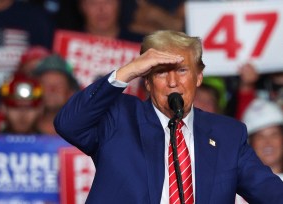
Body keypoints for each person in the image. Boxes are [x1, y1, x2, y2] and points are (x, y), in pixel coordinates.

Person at [54, 30, 283, 203]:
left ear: (199, 77)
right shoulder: (119, 116)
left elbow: (270, 192)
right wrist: (128, 71)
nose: (173, 83)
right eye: (161, 72)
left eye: (182, 70)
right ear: (147, 81)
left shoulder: (227, 134)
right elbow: (68, 124)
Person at [33, 54, 80, 135]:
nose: (52, 90)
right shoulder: (19, 130)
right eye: (45, 84)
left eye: (59, 85)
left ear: (70, 92)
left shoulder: (82, 131)